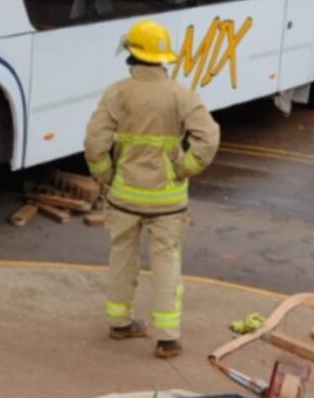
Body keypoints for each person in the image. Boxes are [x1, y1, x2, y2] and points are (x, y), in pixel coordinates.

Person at [84, 19, 220, 359]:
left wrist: (105, 175)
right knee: (166, 265)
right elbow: (208, 138)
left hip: (124, 195)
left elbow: (94, 142)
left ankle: (119, 323)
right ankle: (168, 339)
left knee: (122, 258)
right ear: (162, 58)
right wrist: (185, 168)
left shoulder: (117, 93)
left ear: (132, 54)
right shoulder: (181, 95)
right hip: (167, 201)